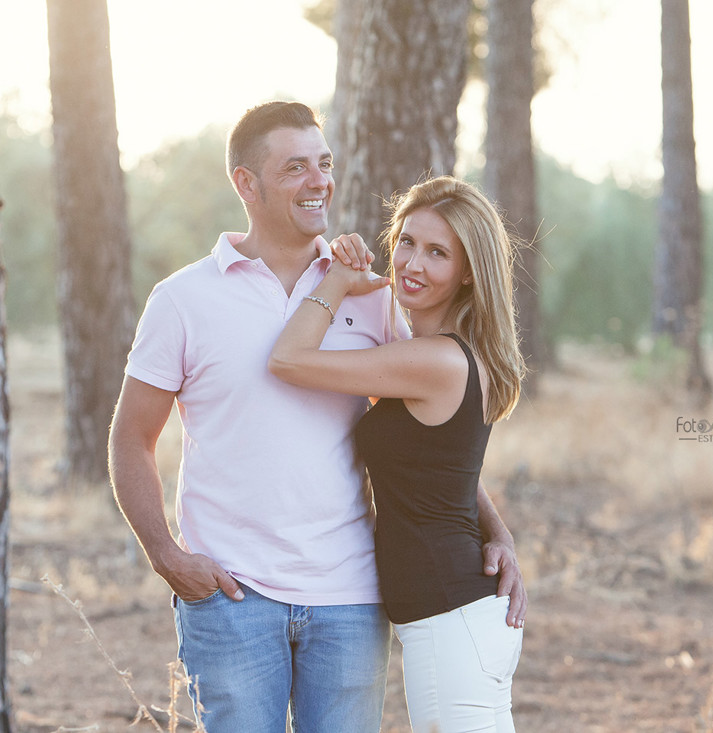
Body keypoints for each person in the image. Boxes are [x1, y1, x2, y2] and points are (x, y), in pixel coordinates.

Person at [109, 102, 525, 732]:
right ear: (246, 184)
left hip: (352, 599)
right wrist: (166, 555)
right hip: (233, 596)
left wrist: (496, 531)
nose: (319, 182)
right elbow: (131, 438)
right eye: (295, 167)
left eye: (324, 164)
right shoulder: (182, 301)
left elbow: (432, 448)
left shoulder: (374, 297)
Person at [268, 175, 528, 733]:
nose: (412, 262)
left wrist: (337, 282)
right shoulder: (434, 356)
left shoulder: (434, 361)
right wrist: (500, 534)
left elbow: (288, 360)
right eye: (407, 241)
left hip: (450, 616)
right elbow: (446, 468)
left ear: (467, 271)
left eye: (438, 252)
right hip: (451, 614)